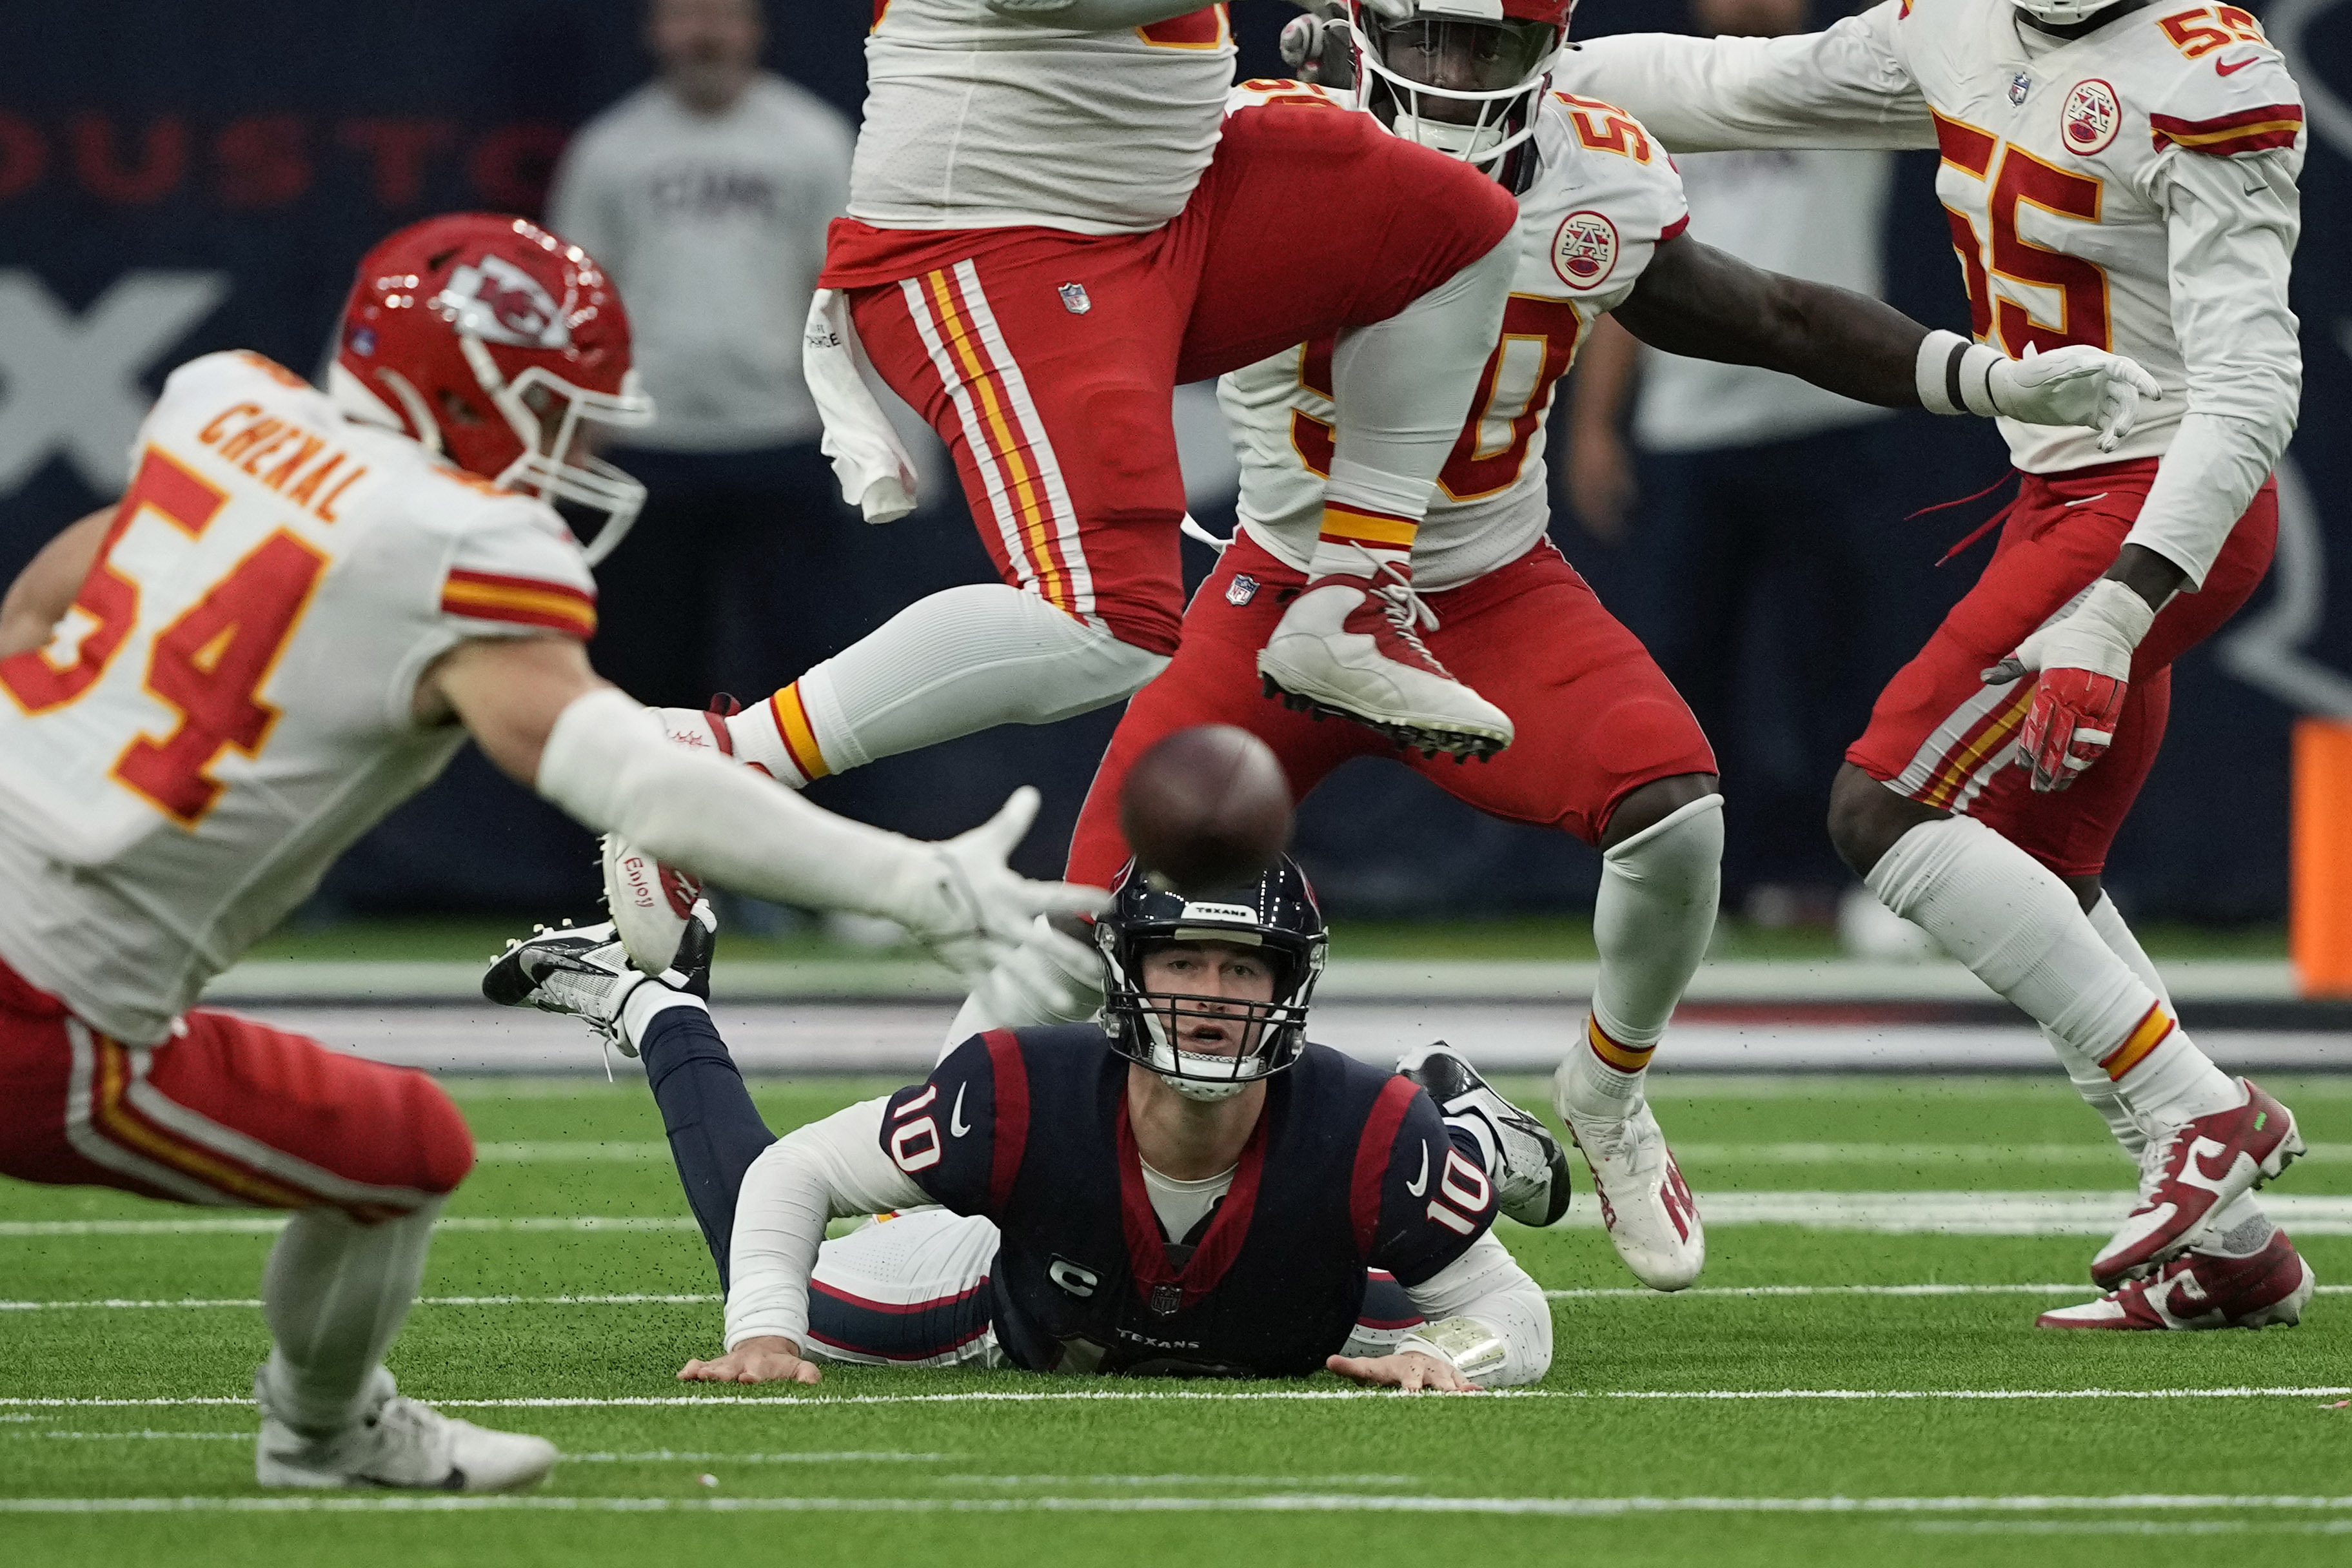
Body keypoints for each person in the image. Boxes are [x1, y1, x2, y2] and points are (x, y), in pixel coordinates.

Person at [1056, 12, 2159, 1295]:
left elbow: (1771, 316)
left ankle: (1608, 1090)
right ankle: (993, 1204)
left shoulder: (1595, 169)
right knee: (1081, 922)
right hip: (1276, 592)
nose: (1459, 74)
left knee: (1675, 810)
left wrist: (1978, 378)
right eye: (1437, 38)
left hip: (1481, 591)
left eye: (1491, 44)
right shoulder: (1264, 140)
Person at [0, 211, 1103, 1491]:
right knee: (400, 1155)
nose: (584, 444)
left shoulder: (223, 404)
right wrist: (913, 882)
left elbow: (44, 598)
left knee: (396, 1135)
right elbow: (643, 788)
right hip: (50, 1009)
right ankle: (323, 1433)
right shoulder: (459, 550)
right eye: (560, 409)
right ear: (465, 389)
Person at [1556, 0, 2313, 1327]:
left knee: (1882, 805)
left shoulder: (2209, 74)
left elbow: (2249, 388)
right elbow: (1735, 86)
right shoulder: (1954, 29)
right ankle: (2233, 1249)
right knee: (2037, 873)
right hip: (2057, 495)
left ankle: (2199, 1108)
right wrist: (1495, 71)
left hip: (2156, 505)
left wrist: (2116, 605)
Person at [674, 0, 1555, 803]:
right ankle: (710, 768)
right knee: (1105, 626)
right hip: (990, 236)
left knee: (1458, 225)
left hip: (1162, 197)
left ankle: (1351, 597)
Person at [487, 856, 1565, 1387]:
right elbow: (796, 1171)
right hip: (1016, 1308)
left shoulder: (1364, 1125)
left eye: (1241, 966)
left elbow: (1514, 1313)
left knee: (1387, 1244)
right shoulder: (1023, 1089)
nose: (1207, 991)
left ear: (1288, 987)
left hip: (1279, 1295)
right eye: (1180, 959)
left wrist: (1453, 1357)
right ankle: (654, 998)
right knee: (758, 1258)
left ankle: (1461, 1127)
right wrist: (761, 1330)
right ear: (1126, 976)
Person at [1561, 0, 1901, 921]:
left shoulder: (1848, 76)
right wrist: (1596, 425)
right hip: (1689, 434)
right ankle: (1696, 884)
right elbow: (1630, 274)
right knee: (1680, 673)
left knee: (1841, 667)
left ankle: (1859, 879)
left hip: (1827, 418)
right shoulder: (1654, 99)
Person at [547, 0, 867, 713]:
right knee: (641, 678)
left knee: (810, 679)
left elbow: (848, 295)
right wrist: (574, 434)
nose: (706, 35)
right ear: (653, 31)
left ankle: (802, 826)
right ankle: (642, 827)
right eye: (686, 16)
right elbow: (576, 302)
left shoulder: (812, 140)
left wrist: (866, 430)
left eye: (723, 16)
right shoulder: (609, 150)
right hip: (644, 447)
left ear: (756, 29)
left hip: (783, 438)